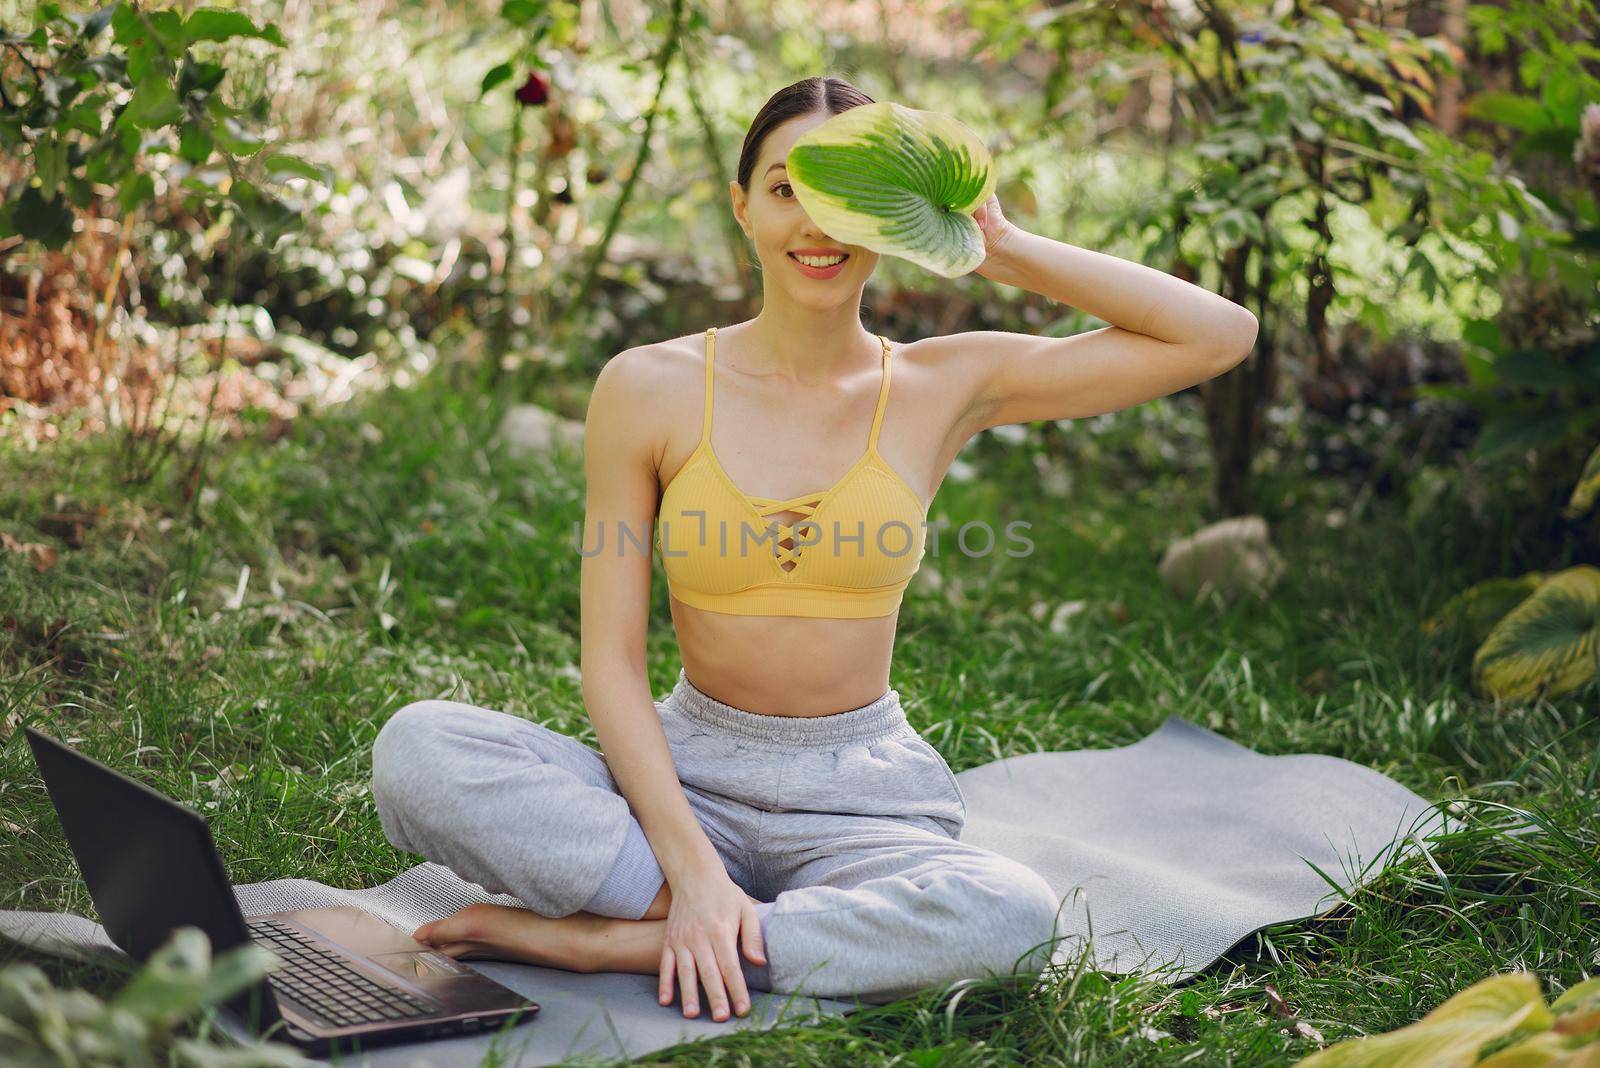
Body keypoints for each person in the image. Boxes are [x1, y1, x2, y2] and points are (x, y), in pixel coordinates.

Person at [369, 75, 1259, 1023]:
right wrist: (691, 864)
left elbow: (1218, 335)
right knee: (419, 746)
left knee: (1015, 915)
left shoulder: (941, 383)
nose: (815, 223)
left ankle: (622, 939)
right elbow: (610, 663)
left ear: (892, 220)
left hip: (863, 802)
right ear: (743, 205)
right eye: (789, 187)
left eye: (849, 196)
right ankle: (743, 919)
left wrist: (996, 246)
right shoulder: (648, 387)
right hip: (684, 775)